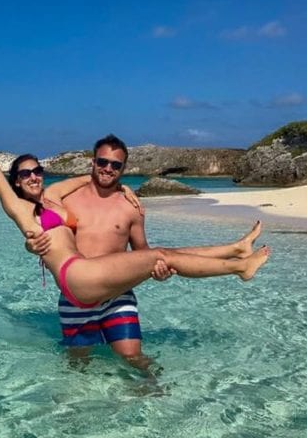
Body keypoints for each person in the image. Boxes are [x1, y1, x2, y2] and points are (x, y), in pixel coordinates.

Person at [0, 128, 270, 313]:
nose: (33, 176)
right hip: (75, 277)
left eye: (37, 171)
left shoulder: (53, 197)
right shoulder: (19, 209)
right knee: (159, 256)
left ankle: (235, 249)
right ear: (16, 181)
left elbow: (88, 178)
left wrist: (124, 185)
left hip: (87, 273)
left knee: (164, 252)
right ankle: (240, 269)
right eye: (25, 174)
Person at [25, 134, 264, 370]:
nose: (108, 168)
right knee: (78, 365)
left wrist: (159, 273)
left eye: (115, 165)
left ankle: (154, 399)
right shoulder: (66, 200)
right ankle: (235, 251)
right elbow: (42, 232)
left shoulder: (132, 207)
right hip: (77, 298)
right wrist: (32, 246)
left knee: (135, 359)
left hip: (118, 296)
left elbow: (143, 254)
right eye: (102, 162)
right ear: (93, 163)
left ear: (124, 168)